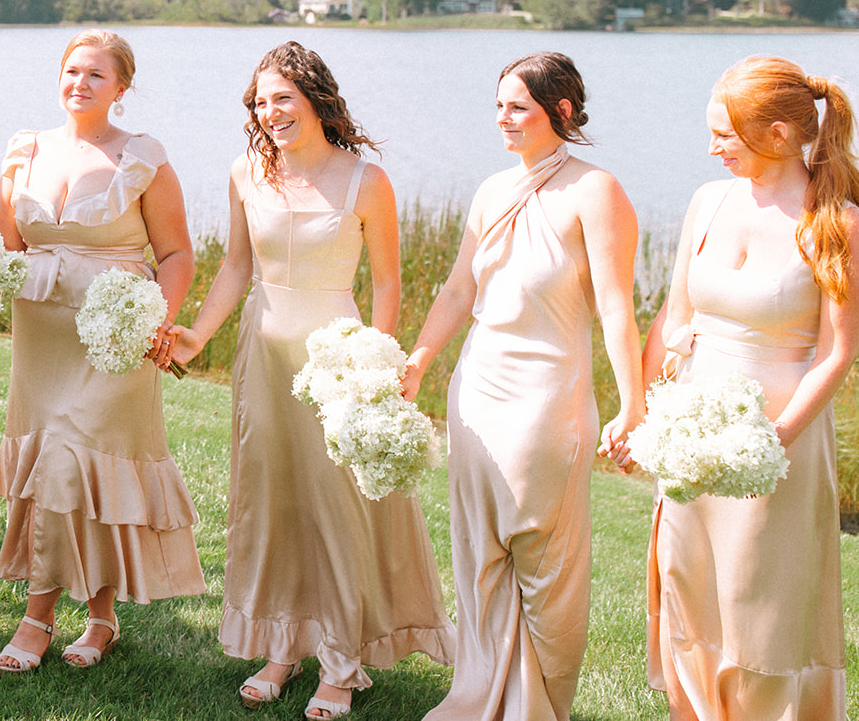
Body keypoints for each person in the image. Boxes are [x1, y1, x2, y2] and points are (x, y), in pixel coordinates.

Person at [167, 42, 455, 718]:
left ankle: (342, 659)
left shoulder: (365, 182)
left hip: (337, 359)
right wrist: (197, 333)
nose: (271, 113)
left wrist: (377, 366)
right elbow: (236, 268)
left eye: (283, 99)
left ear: (315, 99)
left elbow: (388, 282)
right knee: (274, 500)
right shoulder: (245, 172)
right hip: (263, 359)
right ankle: (282, 643)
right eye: (261, 102)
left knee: (337, 505)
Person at [401, 51, 644, 721]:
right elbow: (458, 288)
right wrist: (420, 359)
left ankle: (539, 708)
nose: (502, 118)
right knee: (479, 555)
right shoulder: (489, 189)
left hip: (547, 402)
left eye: (518, 107)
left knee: (545, 567)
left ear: (561, 112)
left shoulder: (595, 191)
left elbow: (619, 308)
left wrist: (634, 403)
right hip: (476, 390)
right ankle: (478, 695)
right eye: (498, 104)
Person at [642, 56, 857, 719]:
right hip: (692, 434)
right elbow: (676, 317)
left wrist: (775, 437)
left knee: (758, 605)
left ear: (781, 135)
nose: (713, 148)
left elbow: (838, 352)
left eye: (726, 135)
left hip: (777, 442)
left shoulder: (837, 221)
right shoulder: (708, 199)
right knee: (689, 589)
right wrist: (647, 422)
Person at [0, 29, 205, 673]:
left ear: (121, 88)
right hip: (43, 338)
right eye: (71, 70)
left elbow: (176, 253)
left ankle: (38, 618)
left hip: (114, 336)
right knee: (62, 465)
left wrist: (156, 321)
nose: (79, 84)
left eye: (96, 76)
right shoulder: (22, 151)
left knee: (84, 459)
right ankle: (101, 617)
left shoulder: (142, 158)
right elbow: (8, 249)